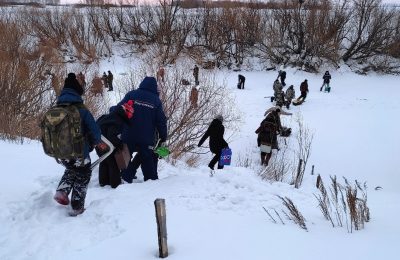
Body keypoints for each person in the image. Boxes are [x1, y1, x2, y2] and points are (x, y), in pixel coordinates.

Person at [53, 73, 109, 216]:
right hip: (79, 152)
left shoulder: (57, 108)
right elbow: (95, 129)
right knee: (83, 173)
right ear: (77, 92)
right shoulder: (81, 109)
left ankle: (62, 191)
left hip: (60, 151)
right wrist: (98, 143)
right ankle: (77, 206)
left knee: (71, 168)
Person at [113, 77, 167, 182]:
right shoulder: (156, 101)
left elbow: (119, 110)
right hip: (146, 138)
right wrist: (163, 136)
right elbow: (161, 121)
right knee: (147, 158)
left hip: (128, 134)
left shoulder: (131, 94)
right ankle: (150, 180)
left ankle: (125, 178)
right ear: (154, 87)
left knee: (126, 157)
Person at [96, 100, 134, 188]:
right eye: (131, 114)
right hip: (106, 143)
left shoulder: (111, 116)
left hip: (98, 142)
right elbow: (112, 135)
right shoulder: (118, 120)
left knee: (104, 161)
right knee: (113, 163)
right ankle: (115, 185)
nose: (131, 116)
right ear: (126, 112)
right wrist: (120, 144)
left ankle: (103, 182)